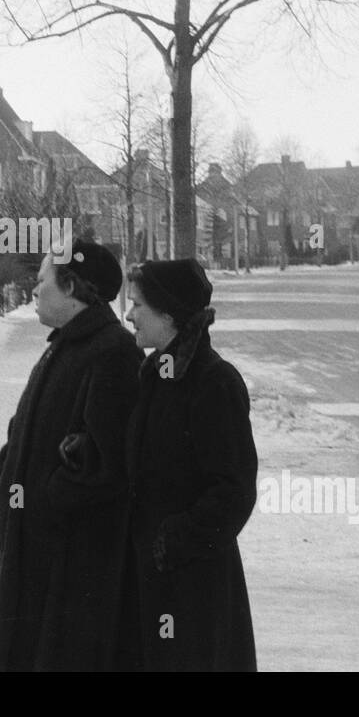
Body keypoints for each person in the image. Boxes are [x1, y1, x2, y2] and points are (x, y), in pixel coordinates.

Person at [0, 240, 143, 671]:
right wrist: (11, 463)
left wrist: (46, 497)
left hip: (70, 566)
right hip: (39, 553)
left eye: (43, 281)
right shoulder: (67, 345)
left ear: (72, 286)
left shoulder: (111, 352)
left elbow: (106, 462)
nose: (35, 290)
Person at [119, 258, 258, 671]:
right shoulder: (153, 374)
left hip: (194, 588)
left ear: (169, 314)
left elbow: (234, 491)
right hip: (150, 583)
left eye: (139, 305)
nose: (129, 314)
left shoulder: (213, 383)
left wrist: (172, 540)